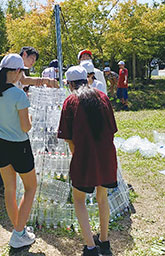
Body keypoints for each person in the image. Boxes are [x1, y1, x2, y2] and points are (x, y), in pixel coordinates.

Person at [58, 65, 117, 256]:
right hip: (106, 155)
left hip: (84, 157)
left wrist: (78, 159)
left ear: (69, 84)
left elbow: (69, 139)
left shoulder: (70, 101)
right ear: (87, 79)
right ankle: (105, 241)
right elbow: (112, 131)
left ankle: (90, 246)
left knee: (79, 199)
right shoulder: (103, 98)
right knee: (102, 198)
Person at [0, 53, 37, 248]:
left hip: (0, 144)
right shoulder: (18, 94)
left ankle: (19, 229)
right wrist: (31, 118)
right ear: (17, 71)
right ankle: (18, 232)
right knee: (31, 187)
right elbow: (26, 127)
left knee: (10, 189)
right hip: (19, 146)